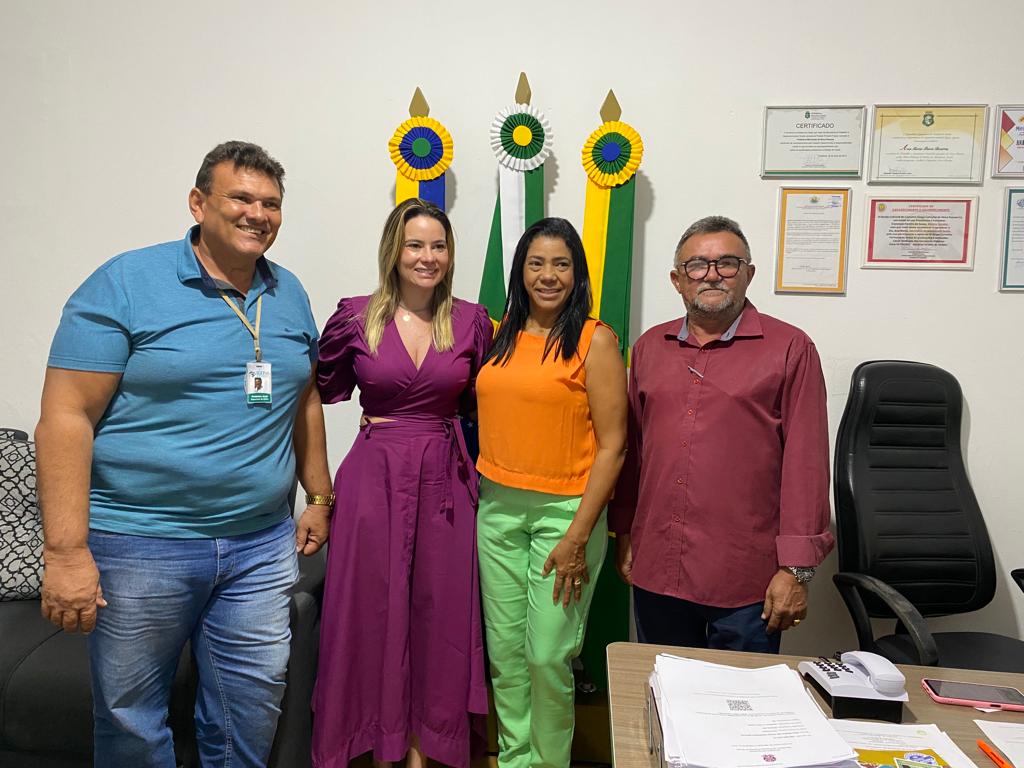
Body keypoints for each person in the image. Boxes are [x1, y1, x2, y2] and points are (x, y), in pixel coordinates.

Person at [34, 140, 334, 767]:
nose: (258, 214)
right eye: (241, 198)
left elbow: (303, 397)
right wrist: (64, 552)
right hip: (140, 544)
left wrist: (319, 494)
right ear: (199, 203)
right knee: (132, 721)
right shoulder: (126, 282)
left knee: (249, 710)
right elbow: (65, 417)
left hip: (259, 546)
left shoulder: (288, 292)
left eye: (271, 203)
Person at [312, 199, 492, 768]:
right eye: (415, 245)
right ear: (394, 251)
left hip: (445, 479)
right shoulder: (354, 317)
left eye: (438, 246)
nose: (427, 257)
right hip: (374, 479)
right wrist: (316, 494)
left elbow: (484, 405)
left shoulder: (473, 321)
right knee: (369, 610)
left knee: (441, 614)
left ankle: (423, 745)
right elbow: (316, 393)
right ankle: (376, 742)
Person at [610, 215, 834, 653]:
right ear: (677, 280)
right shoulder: (650, 348)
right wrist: (625, 531)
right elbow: (633, 452)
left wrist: (797, 570)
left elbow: (806, 466)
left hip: (747, 581)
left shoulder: (790, 348)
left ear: (749, 273)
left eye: (727, 263)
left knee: (742, 695)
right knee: (664, 687)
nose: (711, 274)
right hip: (658, 567)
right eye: (696, 265)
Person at [475, 217, 627, 768]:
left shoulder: (595, 340)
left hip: (566, 517)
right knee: (506, 656)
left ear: (577, 273)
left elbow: (614, 446)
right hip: (496, 509)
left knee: (546, 656)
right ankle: (513, 758)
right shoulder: (497, 334)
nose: (547, 275)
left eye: (561, 264)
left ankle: (548, 762)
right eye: (536, 263)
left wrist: (579, 535)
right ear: (520, 270)